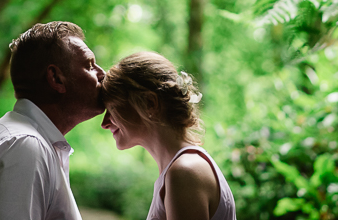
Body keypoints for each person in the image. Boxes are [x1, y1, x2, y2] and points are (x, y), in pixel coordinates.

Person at [0, 21, 106, 220]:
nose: (102, 73)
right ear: (56, 78)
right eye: (89, 66)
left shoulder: (28, 140)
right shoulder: (23, 146)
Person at [101, 52, 236, 220]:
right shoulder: (178, 170)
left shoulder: (186, 172)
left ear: (150, 103)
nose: (105, 122)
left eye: (112, 108)